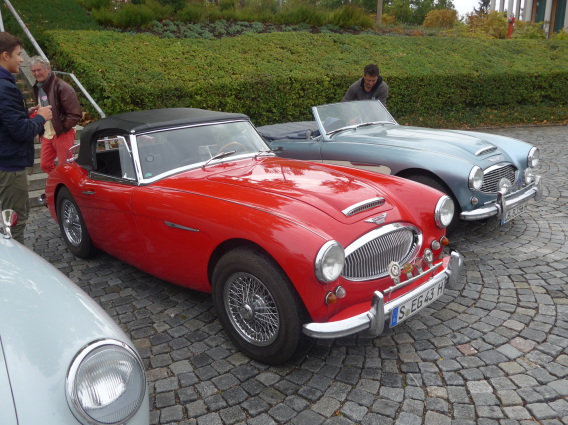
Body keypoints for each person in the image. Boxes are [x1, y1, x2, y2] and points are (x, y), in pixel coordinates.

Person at [0, 32, 52, 243]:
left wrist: (24, 113)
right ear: (5, 55)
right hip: (10, 167)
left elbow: (6, 119)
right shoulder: (5, 87)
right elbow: (21, 131)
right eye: (18, 54)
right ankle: (16, 261)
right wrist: (40, 118)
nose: (21, 60)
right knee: (13, 222)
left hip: (5, 160)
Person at [30, 55, 82, 176]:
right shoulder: (37, 87)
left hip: (63, 132)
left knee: (65, 166)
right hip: (47, 133)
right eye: (33, 71)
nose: (36, 73)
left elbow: (75, 114)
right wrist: (39, 130)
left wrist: (62, 129)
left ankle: (68, 185)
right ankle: (61, 181)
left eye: (39, 70)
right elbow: (40, 110)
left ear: (48, 68)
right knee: (45, 165)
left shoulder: (63, 87)